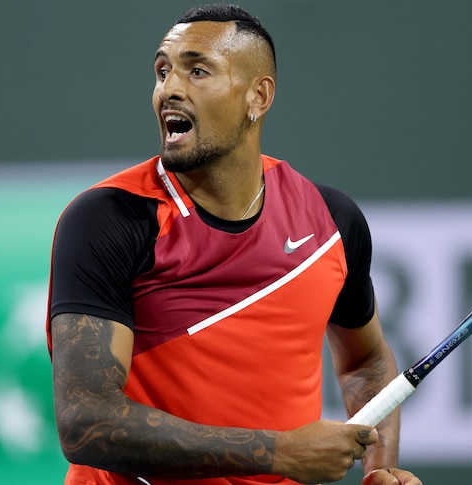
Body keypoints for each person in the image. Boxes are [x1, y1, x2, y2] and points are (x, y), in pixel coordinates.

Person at [46, 4, 422, 485]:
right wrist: (276, 451)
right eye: (163, 71)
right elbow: (86, 422)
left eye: (197, 70)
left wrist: (381, 469)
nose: (170, 90)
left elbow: (366, 360)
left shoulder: (330, 221)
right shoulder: (109, 220)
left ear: (258, 97)